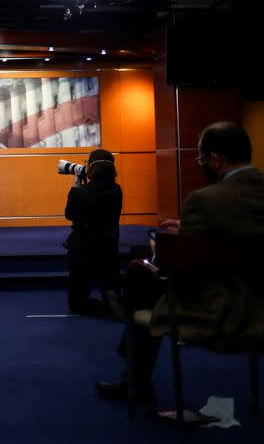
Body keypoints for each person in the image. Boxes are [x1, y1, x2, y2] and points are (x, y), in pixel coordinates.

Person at [97, 121, 264, 404]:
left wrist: (165, 245)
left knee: (140, 278)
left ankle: (135, 381)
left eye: (200, 159)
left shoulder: (204, 199)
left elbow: (179, 269)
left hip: (219, 310)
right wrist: (189, 229)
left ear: (214, 160)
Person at [63, 148, 123, 316]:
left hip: (83, 253)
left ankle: (100, 306)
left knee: (76, 303)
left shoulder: (80, 192)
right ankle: (112, 299)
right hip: (109, 250)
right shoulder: (117, 190)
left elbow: (70, 214)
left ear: (91, 168)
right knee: (111, 287)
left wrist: (75, 186)